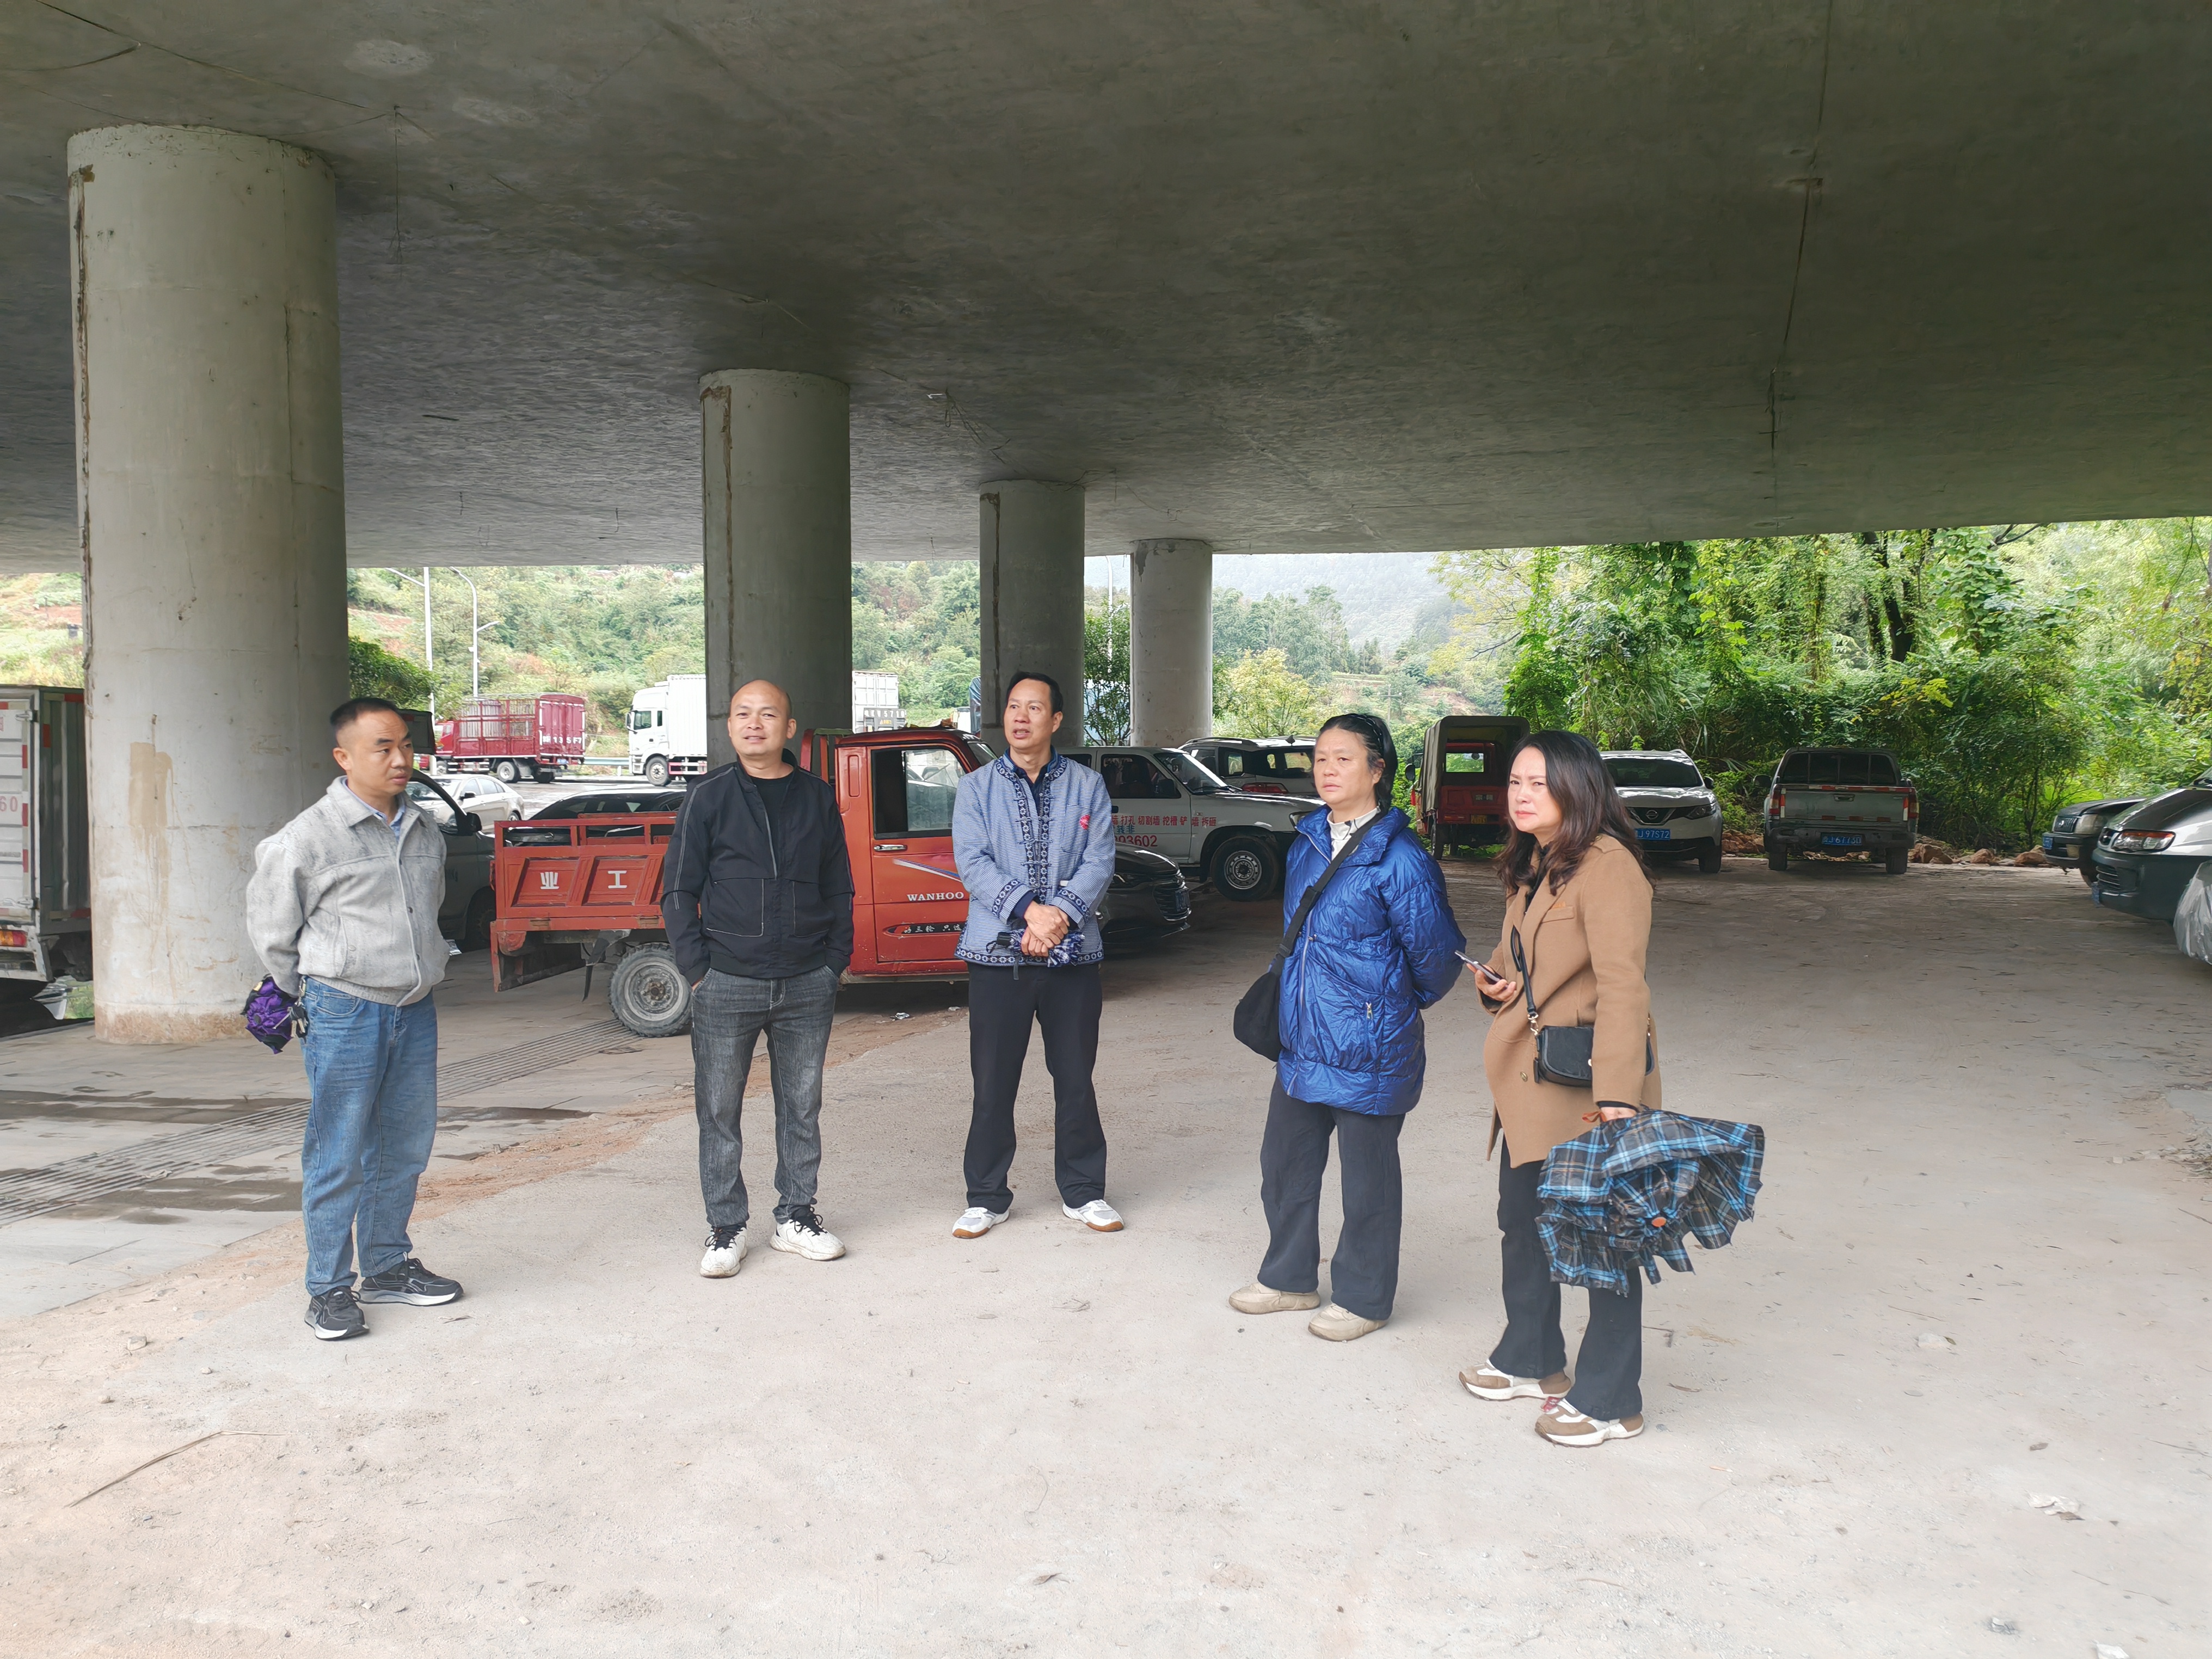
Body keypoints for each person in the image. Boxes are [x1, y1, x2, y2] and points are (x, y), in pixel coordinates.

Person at [1228, 714, 1464, 1340]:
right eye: (1321, 759)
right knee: (1284, 1164)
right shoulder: (1306, 840)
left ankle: (1363, 1298)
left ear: (1377, 770)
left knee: (1367, 1183)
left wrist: (1377, 1008)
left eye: (1343, 759)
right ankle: (1288, 1279)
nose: (1327, 770)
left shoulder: (1401, 860)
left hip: (1368, 1046)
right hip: (1302, 1037)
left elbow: (1437, 962)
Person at [1459, 728, 1662, 1447]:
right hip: (1530, 1080)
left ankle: (1611, 1400)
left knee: (1603, 1240)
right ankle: (1531, 1357)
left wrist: (1618, 1097)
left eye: (1538, 784)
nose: (1521, 795)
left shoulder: (1609, 868)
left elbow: (1623, 985)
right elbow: (1513, 959)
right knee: (1522, 1222)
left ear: (1577, 789)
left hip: (1586, 1085)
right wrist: (1492, 983)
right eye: (1515, 782)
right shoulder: (1535, 863)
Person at [248, 698, 463, 1342]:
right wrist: (309, 993)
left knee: (403, 1146)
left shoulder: (422, 828)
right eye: (382, 748)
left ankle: (387, 1266)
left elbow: (428, 910)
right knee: (338, 1151)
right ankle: (328, 1289)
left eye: (405, 746)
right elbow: (273, 933)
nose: (400, 759)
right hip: (344, 1008)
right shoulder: (306, 838)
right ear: (343, 757)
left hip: (413, 1007)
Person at [661, 680, 856, 1277]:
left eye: (768, 714)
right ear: (730, 726)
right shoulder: (708, 796)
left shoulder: (816, 797)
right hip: (728, 981)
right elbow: (678, 889)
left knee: (801, 1106)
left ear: (788, 728)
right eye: (743, 714)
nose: (754, 723)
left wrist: (833, 962)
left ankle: (796, 1217)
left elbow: (839, 886)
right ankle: (726, 1227)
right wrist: (698, 971)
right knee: (719, 1110)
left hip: (806, 980)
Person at [949, 671, 1120, 1239]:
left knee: (1075, 1078)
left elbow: (1099, 861)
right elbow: (972, 862)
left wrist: (1058, 916)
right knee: (992, 1082)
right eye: (1013, 707)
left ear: (1056, 719)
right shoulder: (975, 788)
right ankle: (986, 1196)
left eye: (1034, 708)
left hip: (1074, 960)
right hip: (997, 959)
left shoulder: (1087, 786)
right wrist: (1030, 911)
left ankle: (1084, 1191)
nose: (1021, 717)